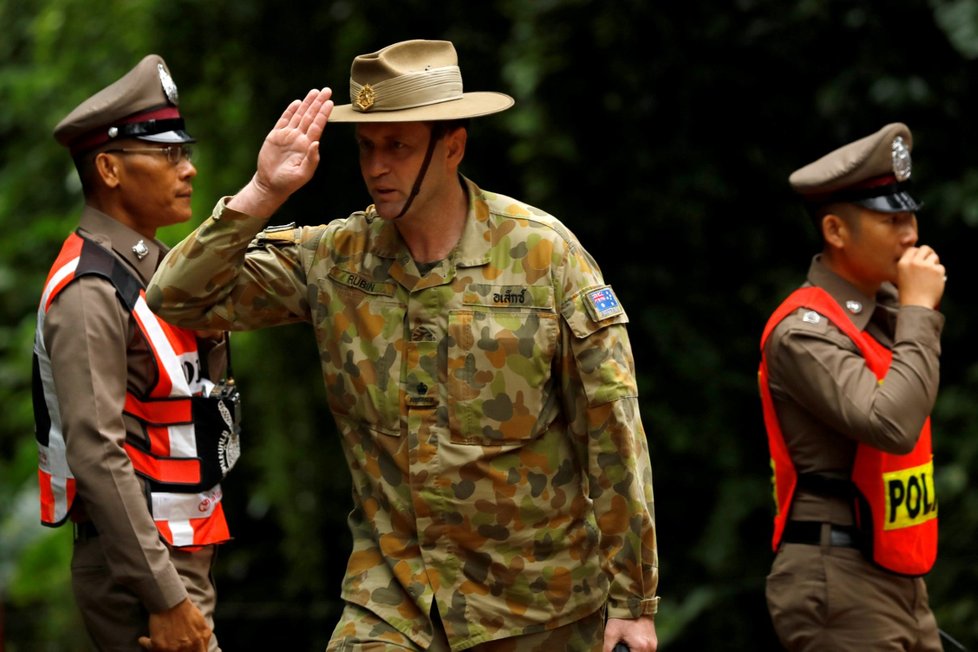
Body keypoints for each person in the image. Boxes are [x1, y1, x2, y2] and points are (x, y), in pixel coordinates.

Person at [146, 39, 659, 651]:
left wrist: (633, 601)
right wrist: (263, 190)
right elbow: (176, 296)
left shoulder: (544, 258)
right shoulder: (335, 260)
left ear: (453, 147)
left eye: (398, 146)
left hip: (535, 605)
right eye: (366, 146)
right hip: (393, 602)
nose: (377, 166)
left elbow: (611, 430)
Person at [34, 54, 242, 652]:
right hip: (143, 574)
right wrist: (165, 598)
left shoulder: (149, 273)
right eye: (169, 155)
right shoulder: (89, 290)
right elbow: (96, 453)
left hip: (176, 555)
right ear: (109, 168)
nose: (190, 169)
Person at [758, 122, 946, 650]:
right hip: (835, 574)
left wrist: (908, 312)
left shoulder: (884, 315)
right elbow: (891, 424)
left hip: (894, 572)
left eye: (910, 216)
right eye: (891, 220)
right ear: (836, 231)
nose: (910, 235)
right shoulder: (803, 330)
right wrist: (916, 311)